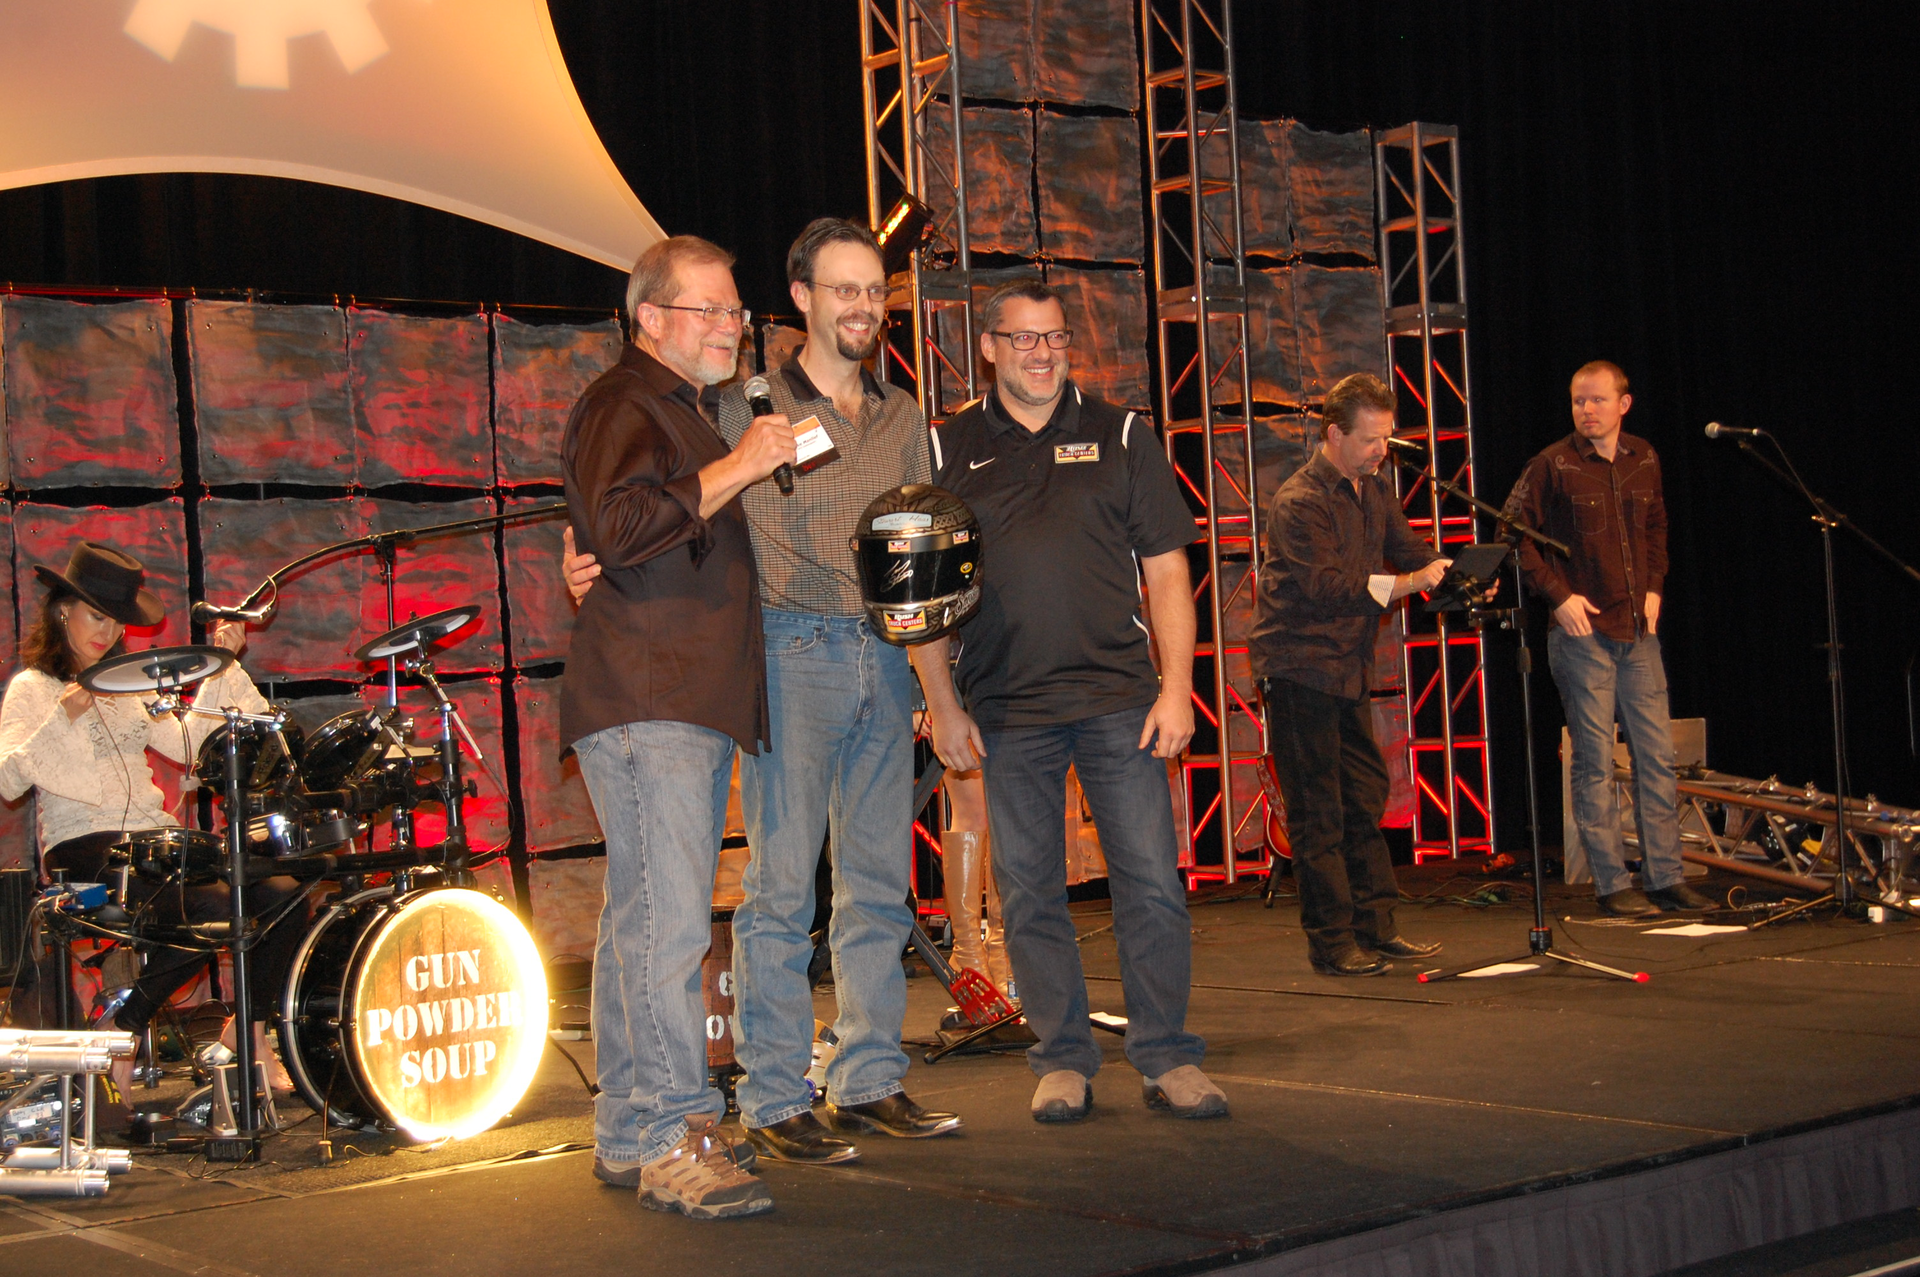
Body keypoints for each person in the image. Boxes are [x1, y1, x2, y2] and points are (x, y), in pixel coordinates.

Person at [571, 219, 963, 1167]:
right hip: (775, 653)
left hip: (867, 652)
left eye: (876, 290)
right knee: (775, 889)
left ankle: (864, 1075)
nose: (864, 306)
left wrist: (935, 683)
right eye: (844, 289)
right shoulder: (737, 404)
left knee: (872, 886)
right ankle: (767, 1095)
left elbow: (920, 556)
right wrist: (582, 553)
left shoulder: (894, 416)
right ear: (804, 300)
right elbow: (634, 506)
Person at [913, 278, 1228, 1124]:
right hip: (1008, 709)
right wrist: (942, 705)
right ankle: (1061, 1058)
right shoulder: (948, 448)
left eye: (1054, 338)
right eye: (1023, 339)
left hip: (1121, 700)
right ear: (989, 348)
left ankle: (1165, 1053)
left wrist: (1177, 689)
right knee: (1030, 892)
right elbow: (928, 597)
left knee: (1153, 884)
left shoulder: (1123, 433)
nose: (1042, 353)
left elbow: (1169, 572)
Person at [560, 234, 794, 1220]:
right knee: (666, 928)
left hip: (673, 696)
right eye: (709, 309)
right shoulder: (626, 402)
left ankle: (628, 1128)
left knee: (640, 920)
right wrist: (740, 463)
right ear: (649, 316)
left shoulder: (680, 412)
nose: (730, 325)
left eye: (735, 310)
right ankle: (674, 1133)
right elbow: (615, 529)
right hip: (651, 697)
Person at [0, 540, 304, 1098]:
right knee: (212, 908)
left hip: (150, 839)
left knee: (281, 891)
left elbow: (191, 742)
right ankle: (125, 1026)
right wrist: (62, 719)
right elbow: (9, 778)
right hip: (83, 846)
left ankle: (251, 1033)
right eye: (97, 616)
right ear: (62, 608)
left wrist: (224, 662)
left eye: (117, 623)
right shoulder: (33, 688)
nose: (108, 634)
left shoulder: (124, 687)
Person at [1247, 373, 1450, 977]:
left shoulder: (1372, 488)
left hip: (1345, 668)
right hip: (1299, 667)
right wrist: (1411, 585)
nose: (1381, 450)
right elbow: (1326, 588)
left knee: (1363, 797)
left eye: (1386, 438)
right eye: (1371, 439)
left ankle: (1377, 928)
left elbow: (1408, 549)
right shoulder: (1300, 500)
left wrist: (1453, 571)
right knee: (1318, 811)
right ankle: (1332, 943)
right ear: (1334, 433)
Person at [1502, 361, 1711, 917]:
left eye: (1596, 400)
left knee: (1656, 758)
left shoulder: (1644, 457)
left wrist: (1656, 588)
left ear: (1623, 404)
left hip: (1637, 631)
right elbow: (1511, 533)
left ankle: (1666, 877)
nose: (1586, 410)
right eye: (1577, 401)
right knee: (1594, 761)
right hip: (1583, 634)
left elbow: (1656, 528)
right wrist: (1559, 596)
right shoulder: (1554, 463)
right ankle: (1612, 884)